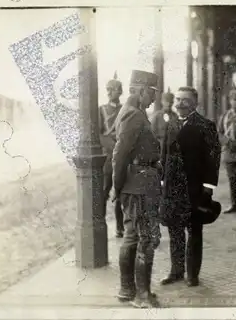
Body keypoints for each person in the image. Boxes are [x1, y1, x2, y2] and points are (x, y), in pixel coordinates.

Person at [159, 86, 221, 287]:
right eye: (177, 99)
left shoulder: (206, 125)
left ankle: (192, 274)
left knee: (194, 230)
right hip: (172, 187)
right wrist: (162, 180)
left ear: (195, 103)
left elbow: (213, 159)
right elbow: (164, 154)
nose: (179, 103)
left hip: (194, 188)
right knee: (174, 230)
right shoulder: (171, 124)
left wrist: (208, 187)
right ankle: (176, 271)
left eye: (185, 100)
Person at [112, 70, 162, 308]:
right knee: (146, 239)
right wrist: (117, 186)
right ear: (140, 90)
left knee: (132, 237)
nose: (153, 98)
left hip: (138, 182)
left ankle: (127, 290)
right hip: (139, 185)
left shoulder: (135, 113)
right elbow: (119, 155)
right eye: (151, 93)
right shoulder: (133, 115)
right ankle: (142, 296)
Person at [99, 72, 125, 238]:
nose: (109, 92)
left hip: (122, 157)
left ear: (120, 92)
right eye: (107, 89)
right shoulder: (101, 110)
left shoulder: (125, 110)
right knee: (104, 190)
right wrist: (113, 146)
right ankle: (100, 223)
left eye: (113, 89)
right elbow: (100, 135)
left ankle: (120, 227)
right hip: (108, 158)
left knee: (121, 192)